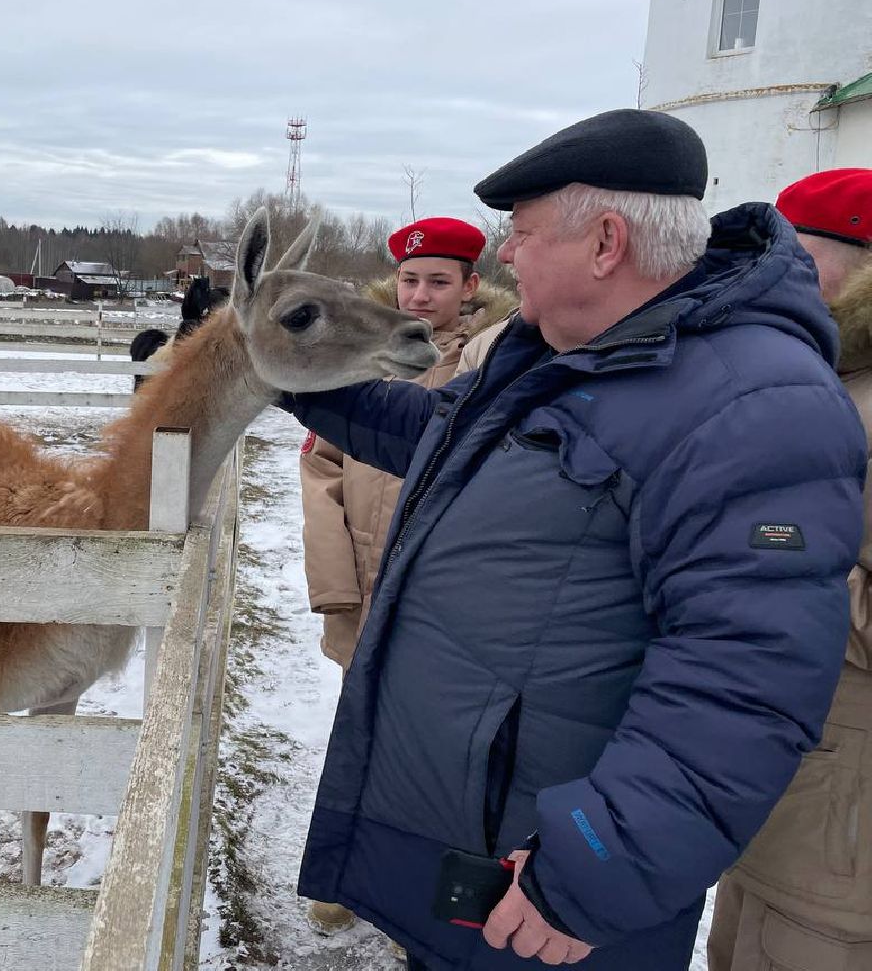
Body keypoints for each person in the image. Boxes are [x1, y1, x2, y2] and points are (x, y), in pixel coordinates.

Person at [282, 109, 866, 970]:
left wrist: (593, 869)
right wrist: (292, 372)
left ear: (604, 242)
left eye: (519, 233)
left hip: (543, 889)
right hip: (469, 844)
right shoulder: (573, 352)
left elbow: (743, 676)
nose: (506, 258)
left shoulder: (751, 404)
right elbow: (444, 436)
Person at [301, 218, 515, 936]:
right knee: (357, 739)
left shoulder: (492, 362)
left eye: (438, 282)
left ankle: (418, 904)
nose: (420, 295)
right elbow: (321, 466)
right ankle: (349, 877)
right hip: (361, 594)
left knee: (431, 761)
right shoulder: (365, 355)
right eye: (410, 279)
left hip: (440, 607)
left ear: (471, 287)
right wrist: (334, 586)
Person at [707, 167, 872, 970]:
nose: (779, 275)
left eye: (804, 258)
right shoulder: (802, 375)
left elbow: (791, 551)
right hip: (773, 784)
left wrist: (765, 564)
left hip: (846, 830)